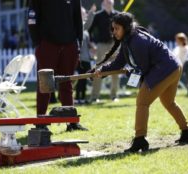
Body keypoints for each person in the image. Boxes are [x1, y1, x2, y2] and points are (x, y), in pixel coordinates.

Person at [93, 12, 188, 153]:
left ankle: (140, 139)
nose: (114, 32)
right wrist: (102, 71)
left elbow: (143, 68)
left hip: (165, 69)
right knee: (169, 102)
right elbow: (119, 62)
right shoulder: (129, 38)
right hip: (174, 67)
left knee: (142, 102)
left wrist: (130, 72)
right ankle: (187, 132)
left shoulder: (137, 41)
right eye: (113, 28)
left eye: (116, 28)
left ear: (125, 28)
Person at [27, 0, 87, 131]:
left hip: (70, 44)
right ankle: (41, 122)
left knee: (67, 83)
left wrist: (79, 42)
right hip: (47, 44)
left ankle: (71, 122)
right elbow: (32, 19)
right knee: (44, 84)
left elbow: (78, 19)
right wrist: (38, 43)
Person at [85, 0, 120, 102]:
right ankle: (95, 96)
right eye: (106, 2)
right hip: (101, 45)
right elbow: (90, 31)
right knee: (98, 70)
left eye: (110, 2)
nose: (108, 3)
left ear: (113, 3)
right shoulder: (98, 15)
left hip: (115, 44)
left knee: (116, 70)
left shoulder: (117, 15)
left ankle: (114, 95)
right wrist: (92, 45)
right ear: (104, 4)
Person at [75, 7, 96, 105]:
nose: (85, 15)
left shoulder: (85, 30)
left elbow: (87, 43)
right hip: (79, 59)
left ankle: (82, 97)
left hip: (86, 58)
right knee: (80, 79)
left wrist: (92, 48)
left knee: (85, 78)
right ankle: (77, 98)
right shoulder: (76, 28)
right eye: (84, 13)